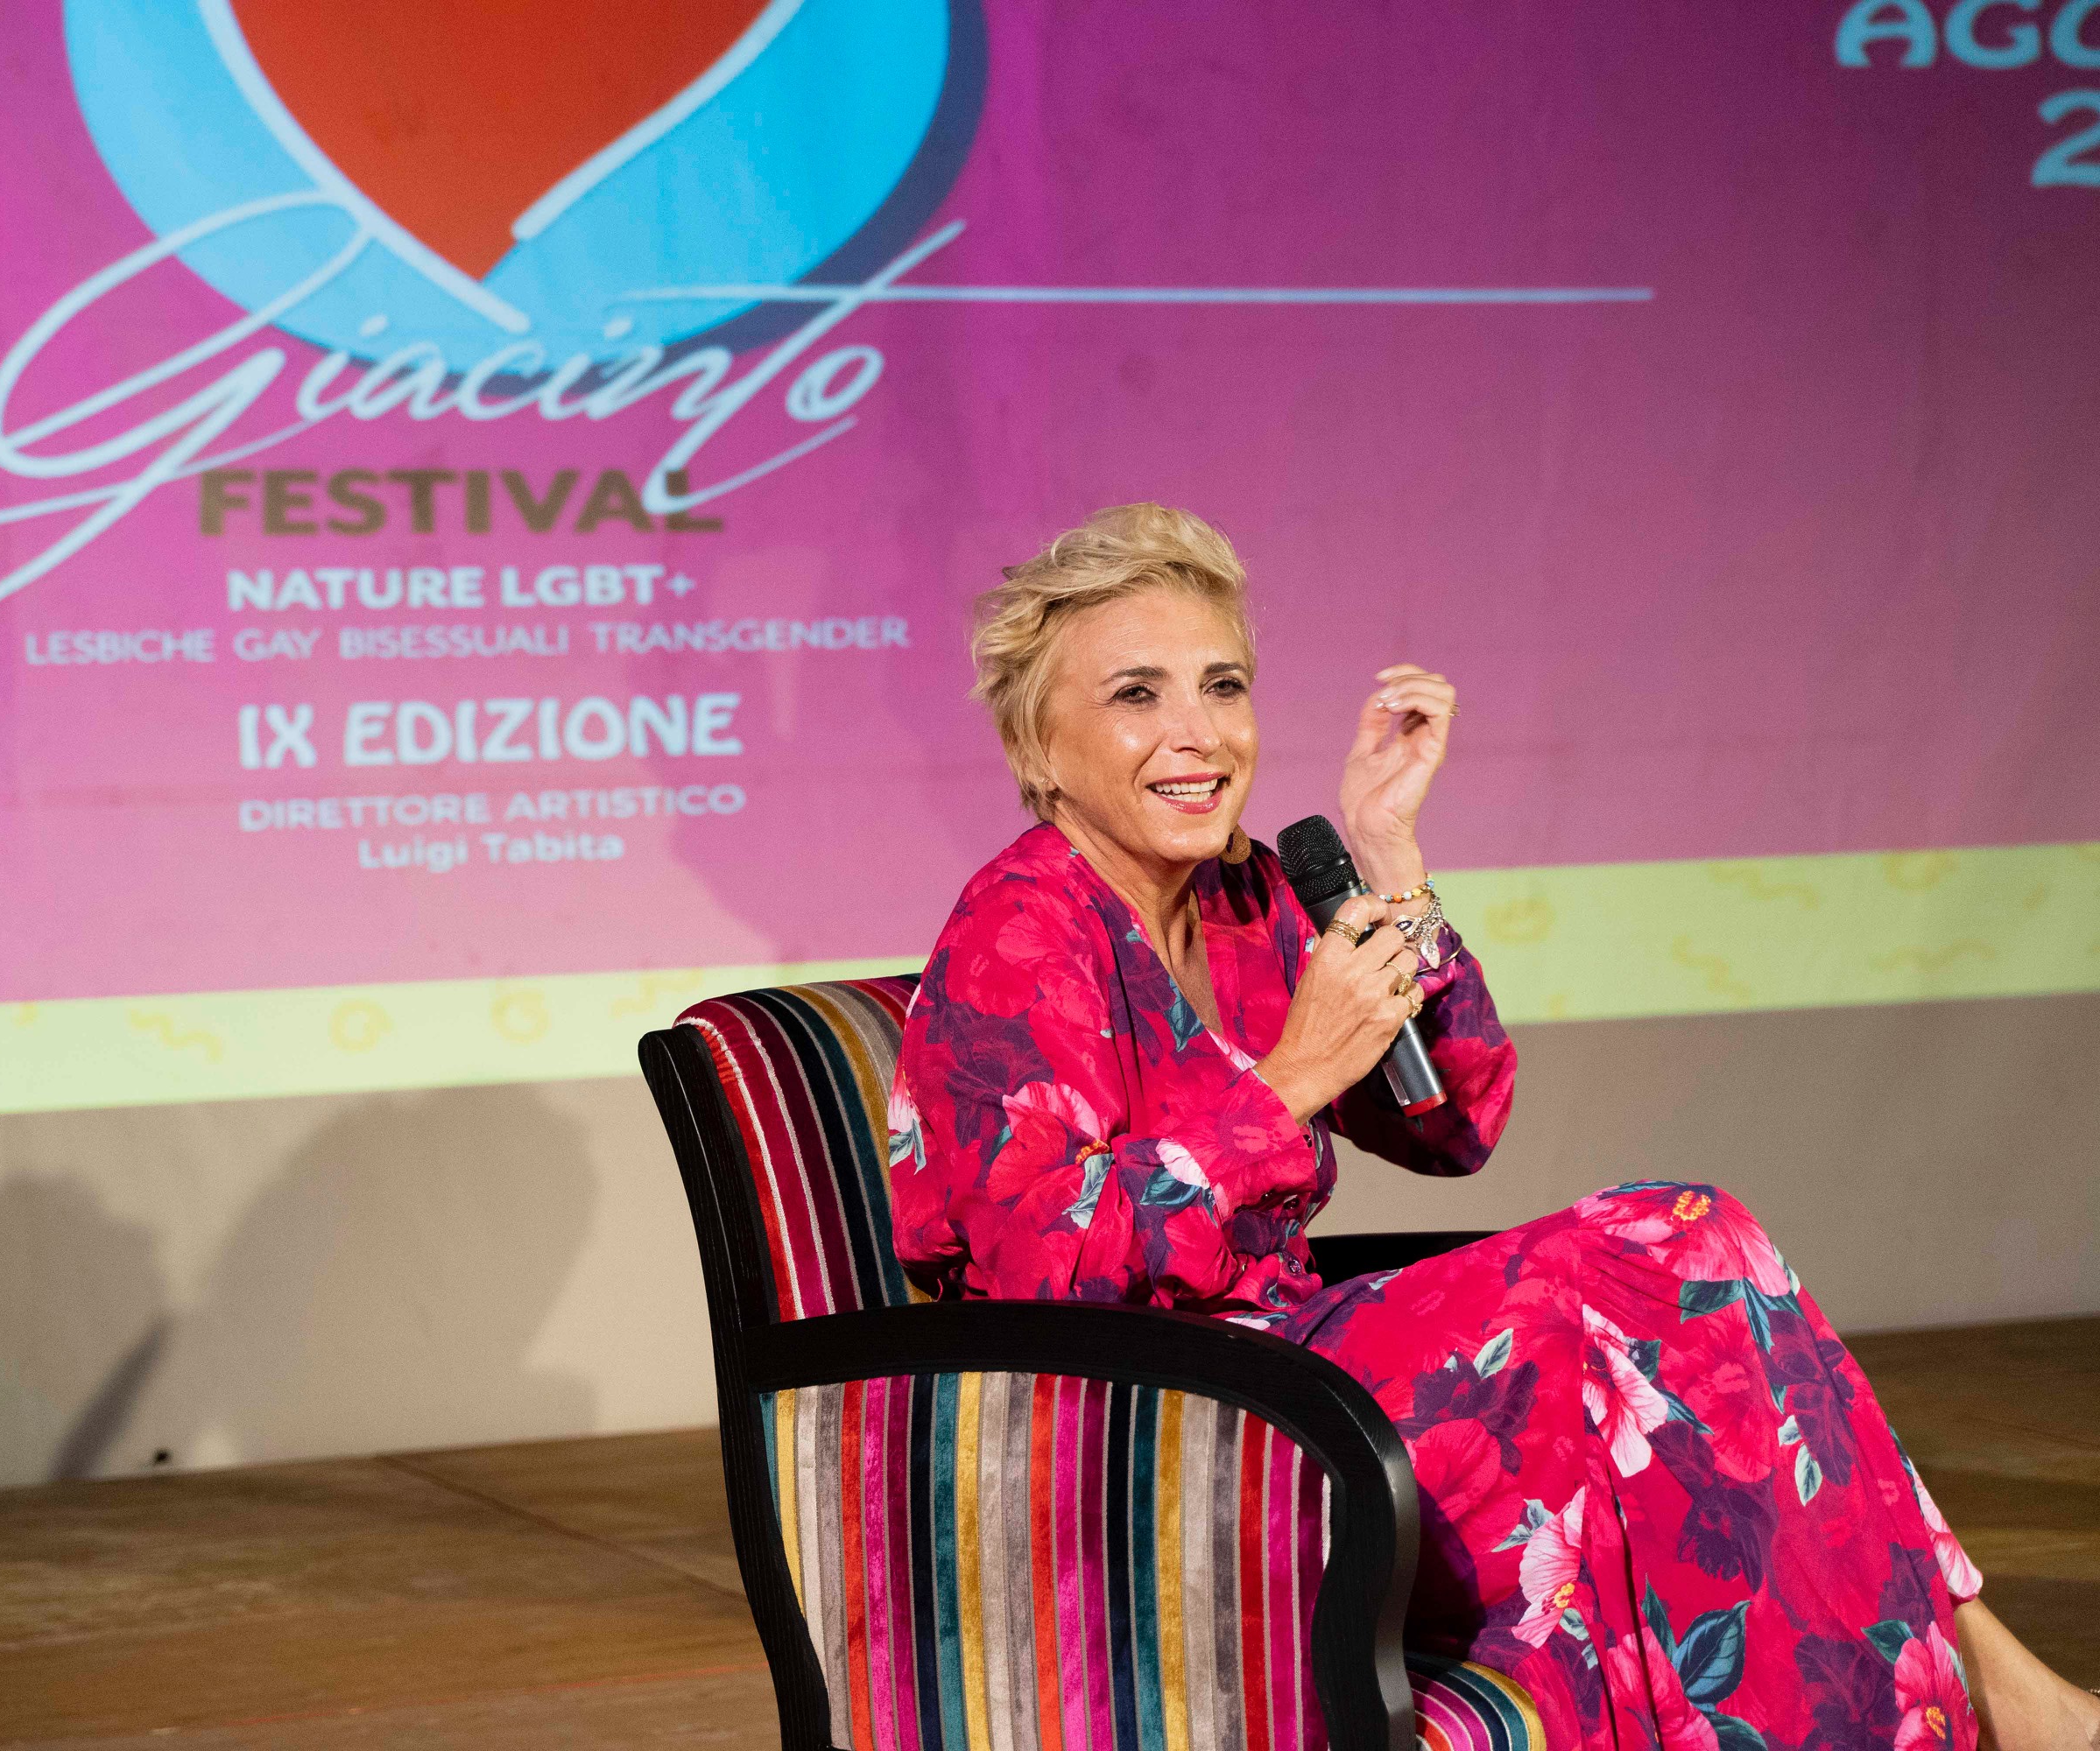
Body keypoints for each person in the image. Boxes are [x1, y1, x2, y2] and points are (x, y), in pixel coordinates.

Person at [887, 503, 2097, 1751]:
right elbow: (1037, 1267)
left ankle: (1972, 1701)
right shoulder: (1019, 929)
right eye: (1137, 694)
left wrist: (1389, 859)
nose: (1198, 732)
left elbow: (1455, 1120)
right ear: (1040, 747)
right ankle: (2009, 1709)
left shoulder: (1250, 895)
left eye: (1224, 685)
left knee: (1696, 1260)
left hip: (1293, 1372)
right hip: (1148, 1426)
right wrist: (1285, 1084)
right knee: (1664, 1259)